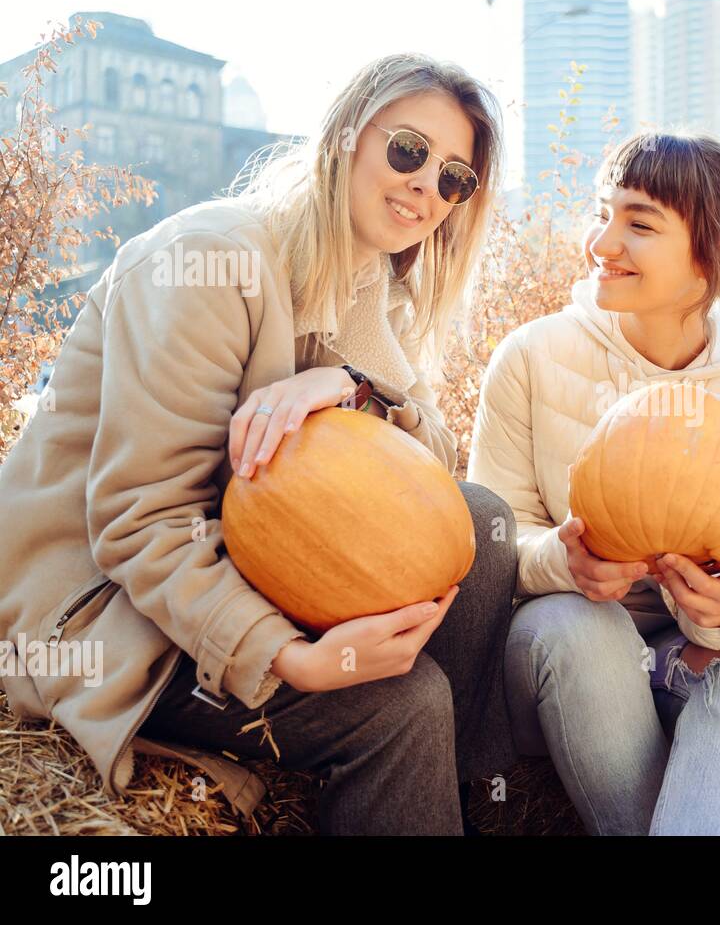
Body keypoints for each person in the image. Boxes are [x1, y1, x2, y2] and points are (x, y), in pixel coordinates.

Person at [0, 54, 518, 834]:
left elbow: (431, 463)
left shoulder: (362, 283)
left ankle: (469, 807)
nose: (425, 187)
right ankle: (409, 766)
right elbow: (140, 528)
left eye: (454, 178)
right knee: (404, 706)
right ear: (346, 134)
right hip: (110, 616)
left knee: (478, 521)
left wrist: (349, 384)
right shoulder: (212, 263)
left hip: (242, 562)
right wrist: (292, 659)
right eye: (408, 150)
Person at [468, 131, 720, 835]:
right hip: (552, 652)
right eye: (602, 213)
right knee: (581, 626)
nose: (601, 242)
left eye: (639, 224)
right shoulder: (531, 357)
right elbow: (489, 539)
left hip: (676, 655)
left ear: (712, 257)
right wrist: (562, 560)